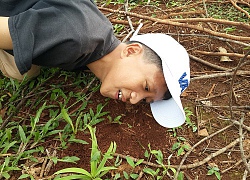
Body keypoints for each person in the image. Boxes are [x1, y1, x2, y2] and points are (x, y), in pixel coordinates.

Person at [0, 0, 190, 128]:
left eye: (145, 100)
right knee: (23, 71)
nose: (134, 99)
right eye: (146, 86)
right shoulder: (76, 39)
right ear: (131, 50)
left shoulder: (98, 40)